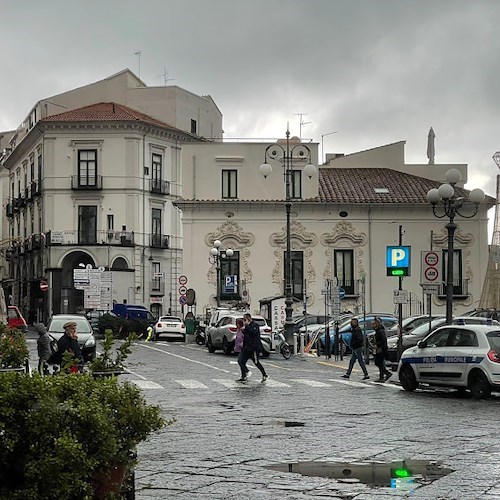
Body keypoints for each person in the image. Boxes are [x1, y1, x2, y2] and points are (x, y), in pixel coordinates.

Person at [236, 313, 268, 383]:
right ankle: (244, 375)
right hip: (247, 348)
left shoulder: (255, 325)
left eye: (245, 320)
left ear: (249, 319)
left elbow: (253, 333)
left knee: (256, 362)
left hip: (254, 348)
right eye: (243, 320)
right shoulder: (246, 326)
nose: (244, 322)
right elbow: (246, 337)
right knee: (240, 361)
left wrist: (246, 327)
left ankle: (264, 374)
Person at [372, 317, 392, 382]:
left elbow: (383, 341)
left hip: (381, 349)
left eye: (374, 324)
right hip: (380, 348)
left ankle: (386, 374)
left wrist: (377, 344)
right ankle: (382, 376)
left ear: (377, 324)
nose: (372, 325)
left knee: (378, 362)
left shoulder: (380, 331)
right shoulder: (378, 331)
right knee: (380, 363)